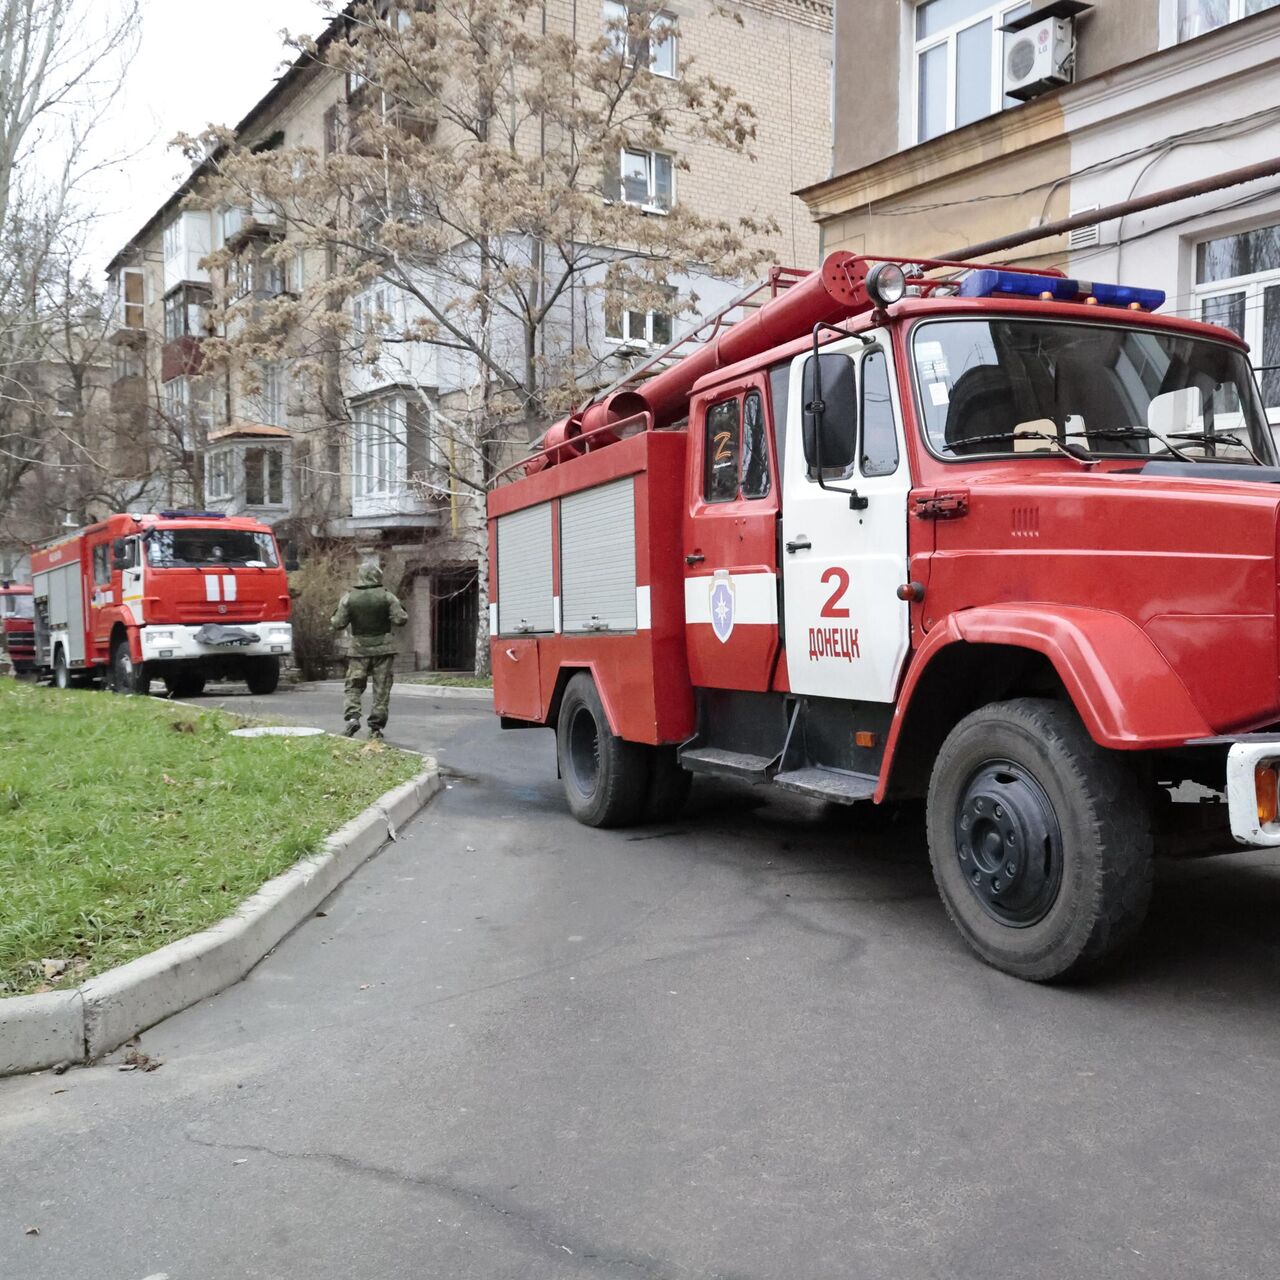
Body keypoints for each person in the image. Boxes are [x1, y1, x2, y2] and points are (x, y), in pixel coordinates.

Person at [330, 561, 408, 739]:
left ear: (361, 576)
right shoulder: (388, 597)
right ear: (378, 576)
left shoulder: (349, 597)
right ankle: (376, 728)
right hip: (383, 650)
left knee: (354, 686)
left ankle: (352, 718)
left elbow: (337, 623)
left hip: (359, 651)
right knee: (381, 690)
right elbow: (400, 619)